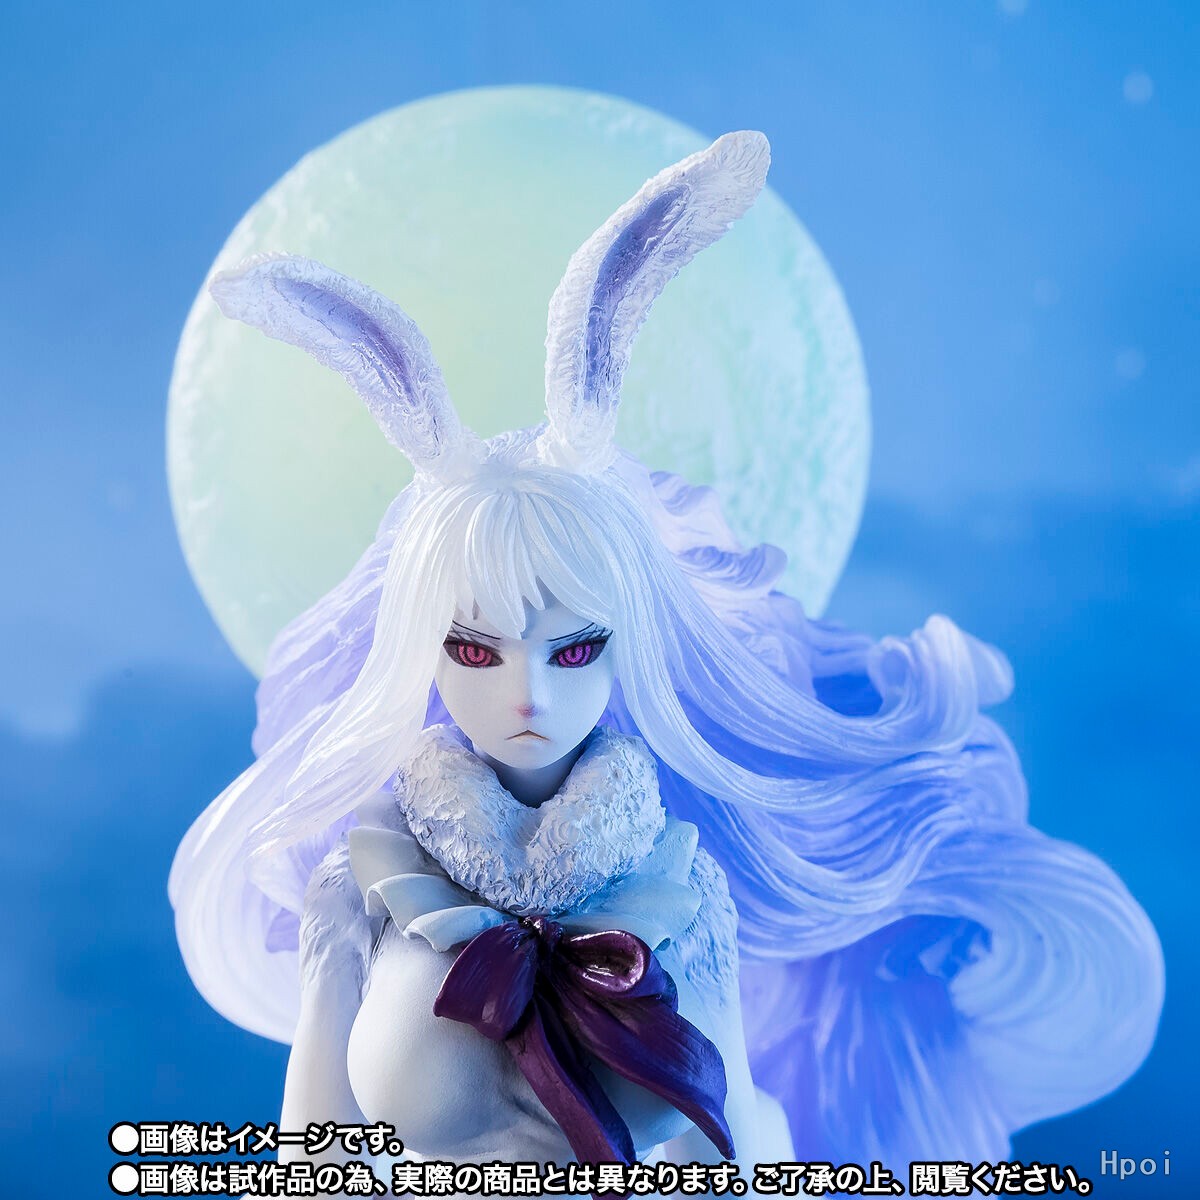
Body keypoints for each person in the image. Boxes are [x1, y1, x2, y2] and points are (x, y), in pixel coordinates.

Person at [170, 131, 1162, 1175]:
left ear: (624, 648)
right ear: (424, 650)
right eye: (475, 650)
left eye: (572, 650)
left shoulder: (679, 887)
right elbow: (313, 1149)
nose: (524, 693)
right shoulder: (365, 880)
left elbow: (730, 1152)